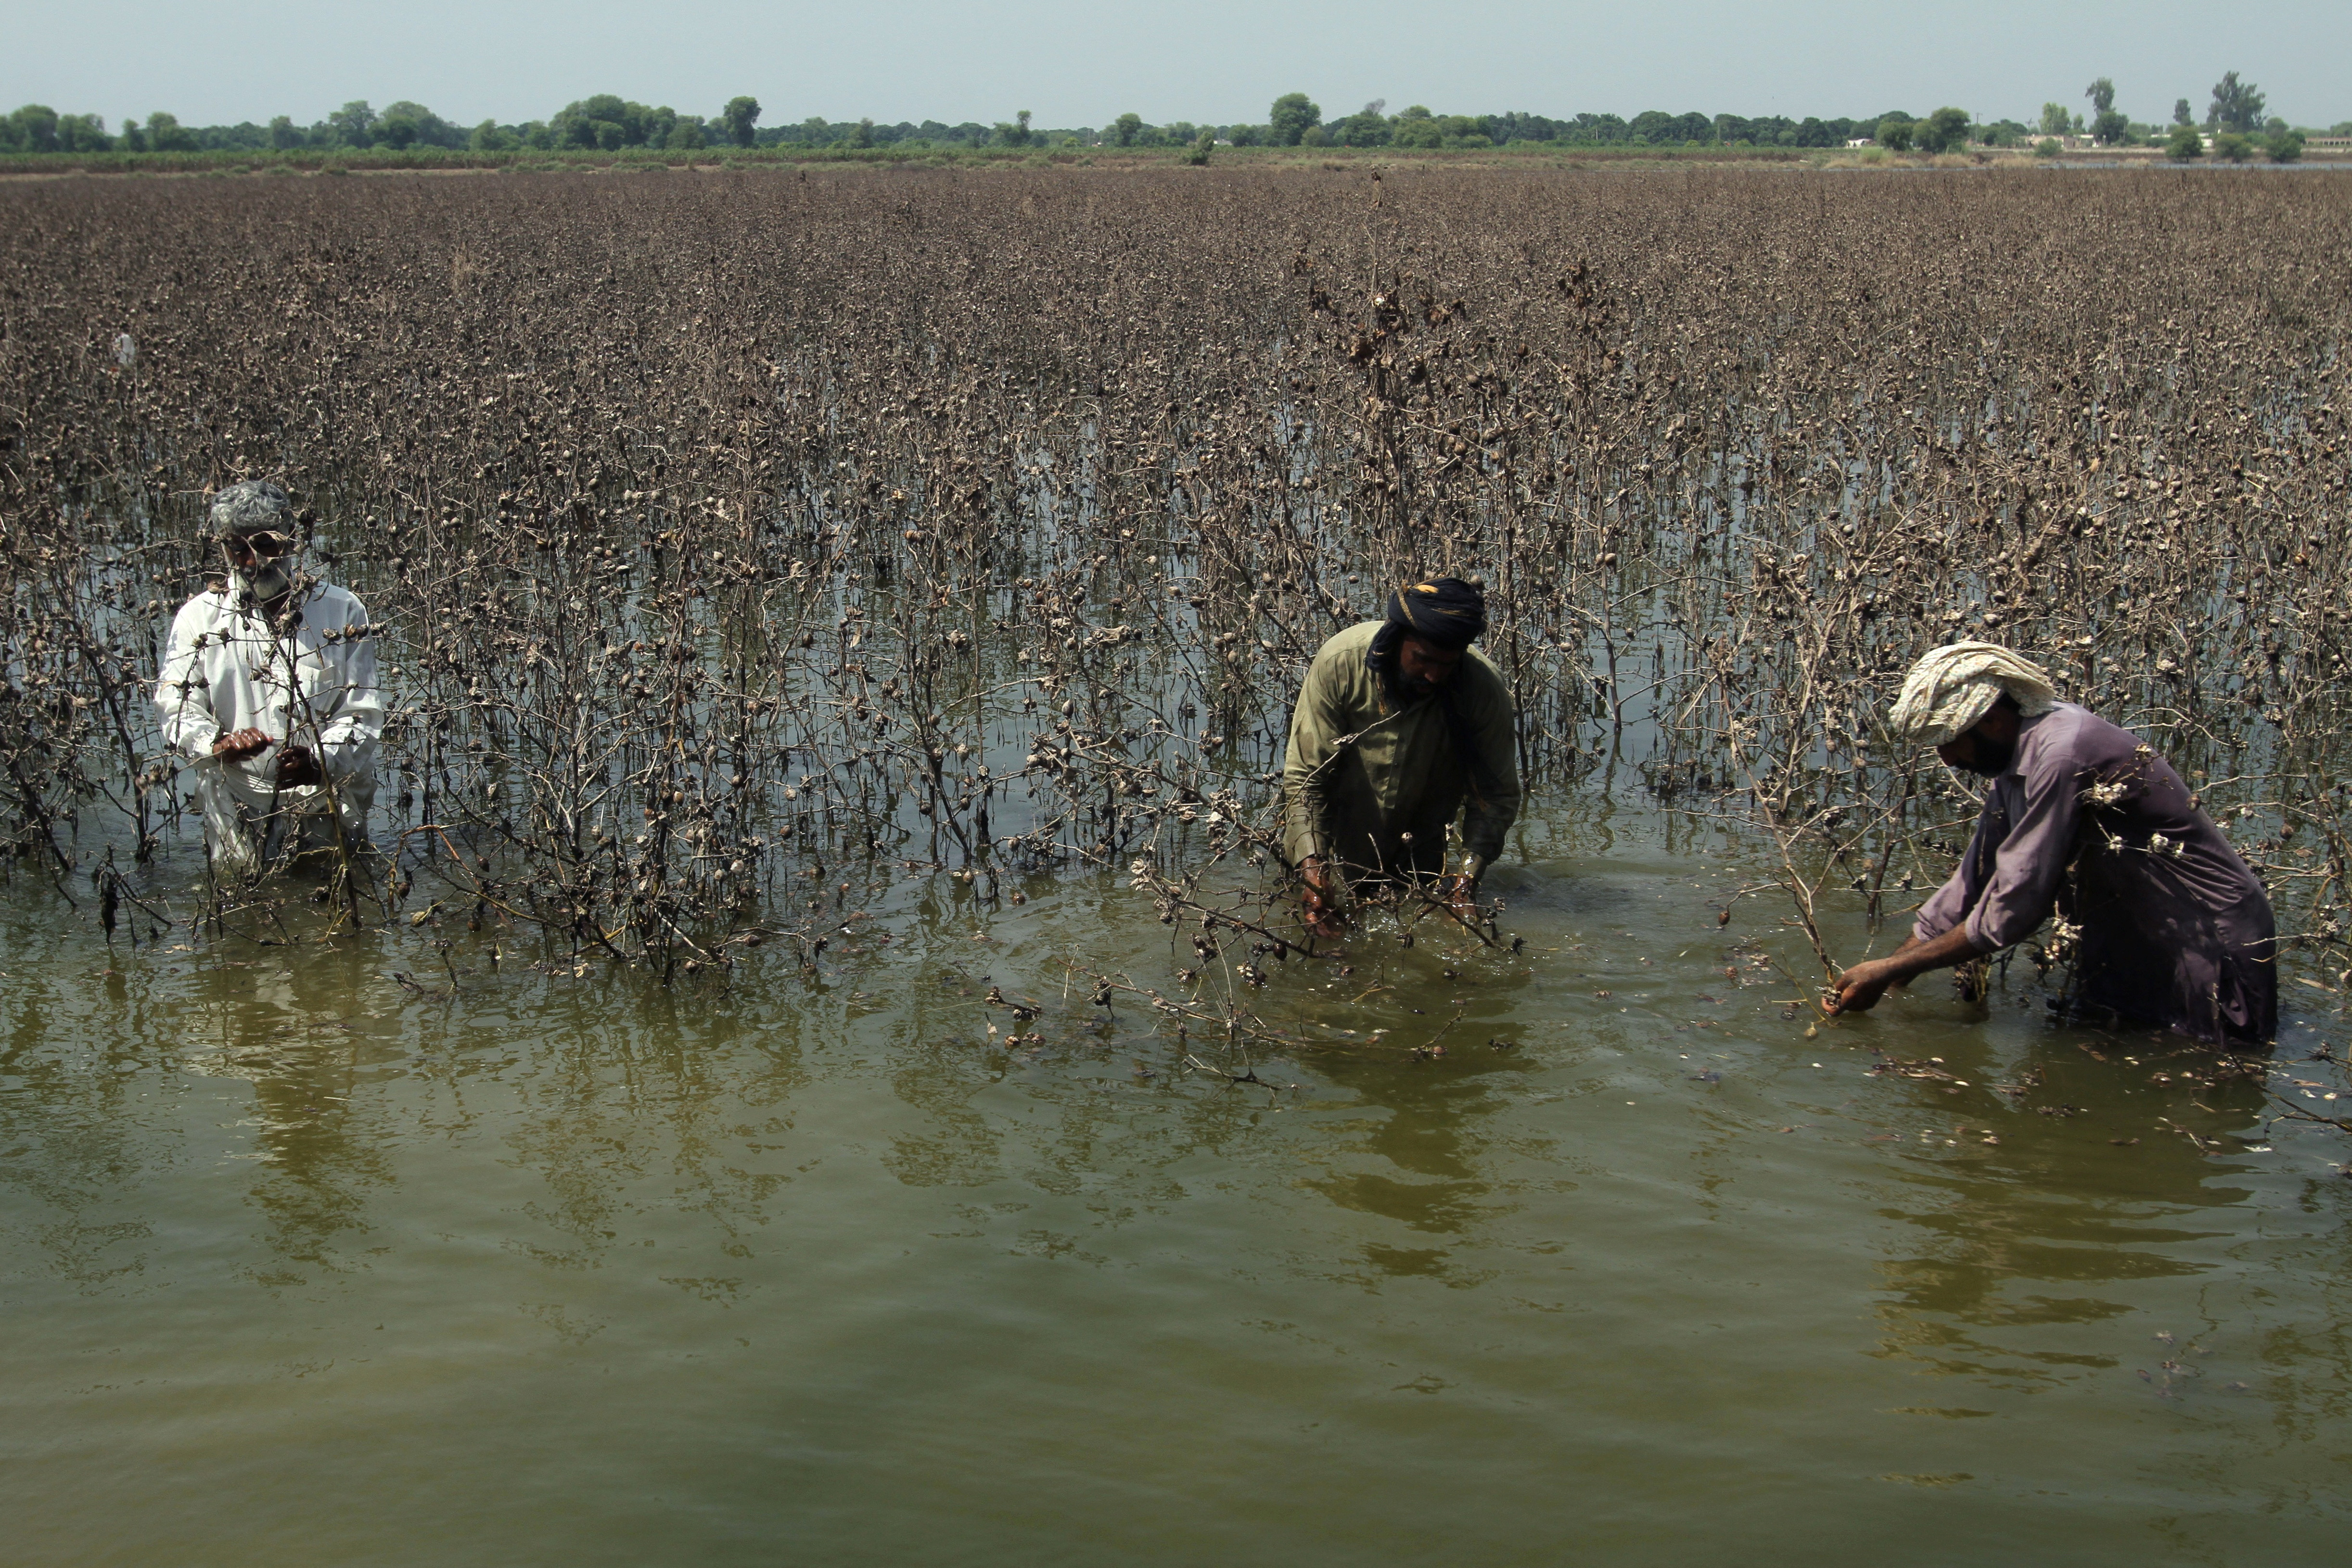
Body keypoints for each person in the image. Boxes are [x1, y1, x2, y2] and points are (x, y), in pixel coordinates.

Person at [1831, 641, 2275, 1045]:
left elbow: (2015, 905)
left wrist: (1893, 969)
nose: (1947, 760)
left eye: (1949, 743)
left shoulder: (2063, 754)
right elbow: (1975, 875)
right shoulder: (2014, 758)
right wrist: (1888, 984)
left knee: (2209, 1073)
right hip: (2133, 938)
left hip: (2206, 941)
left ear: (1993, 721)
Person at [154, 481, 382, 875]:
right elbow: (175, 706)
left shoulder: (342, 610)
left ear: (292, 540)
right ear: (223, 549)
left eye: (266, 544)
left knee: (337, 894)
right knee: (242, 895)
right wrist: (219, 744)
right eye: (238, 548)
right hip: (236, 799)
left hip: (326, 796)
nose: (252, 561)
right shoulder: (199, 618)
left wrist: (319, 761)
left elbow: (361, 714)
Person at [1282, 576, 1521, 938]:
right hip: (1337, 850)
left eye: (1447, 664)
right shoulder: (1341, 663)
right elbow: (1307, 779)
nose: (1433, 675)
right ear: (1397, 641)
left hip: (1420, 867)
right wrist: (1316, 876)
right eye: (1423, 659)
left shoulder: (1482, 689)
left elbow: (1496, 796)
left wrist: (1464, 884)